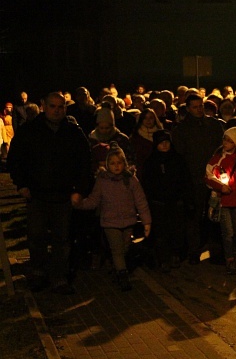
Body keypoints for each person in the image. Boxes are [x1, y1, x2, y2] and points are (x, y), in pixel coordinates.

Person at [7, 92, 92, 294]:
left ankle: (58, 277)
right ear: (44, 105)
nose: (56, 110)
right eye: (53, 106)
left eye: (60, 107)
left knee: (61, 239)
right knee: (36, 236)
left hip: (63, 195)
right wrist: (21, 184)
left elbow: (84, 163)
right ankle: (38, 273)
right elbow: (15, 160)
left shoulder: (73, 132)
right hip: (36, 194)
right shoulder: (30, 131)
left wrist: (80, 190)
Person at [74, 142, 152, 291]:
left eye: (119, 163)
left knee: (124, 248)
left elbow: (141, 201)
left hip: (128, 221)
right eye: (112, 163)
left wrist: (146, 222)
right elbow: (94, 200)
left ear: (124, 163)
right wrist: (80, 204)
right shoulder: (102, 181)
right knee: (117, 249)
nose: (116, 166)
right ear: (107, 164)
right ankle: (123, 275)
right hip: (110, 222)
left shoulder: (130, 180)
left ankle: (117, 267)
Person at [171, 94, 225, 264]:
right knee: (194, 216)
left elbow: (222, 148)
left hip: (214, 177)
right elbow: (180, 156)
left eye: (200, 106)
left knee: (215, 215)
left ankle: (215, 249)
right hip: (194, 179)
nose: (199, 109)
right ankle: (194, 250)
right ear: (188, 108)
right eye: (194, 107)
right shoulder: (181, 130)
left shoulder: (214, 125)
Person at [205, 126, 236, 274]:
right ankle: (229, 259)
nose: (225, 143)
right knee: (228, 233)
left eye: (230, 141)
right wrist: (221, 187)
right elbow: (208, 176)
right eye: (225, 139)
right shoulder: (217, 159)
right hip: (224, 201)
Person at [141, 130, 192, 272]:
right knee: (161, 232)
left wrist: (185, 198)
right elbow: (147, 183)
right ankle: (163, 258)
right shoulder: (151, 162)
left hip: (176, 202)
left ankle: (175, 254)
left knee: (176, 230)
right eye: (161, 142)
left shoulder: (178, 160)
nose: (164, 145)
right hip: (159, 203)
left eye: (167, 142)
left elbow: (185, 180)